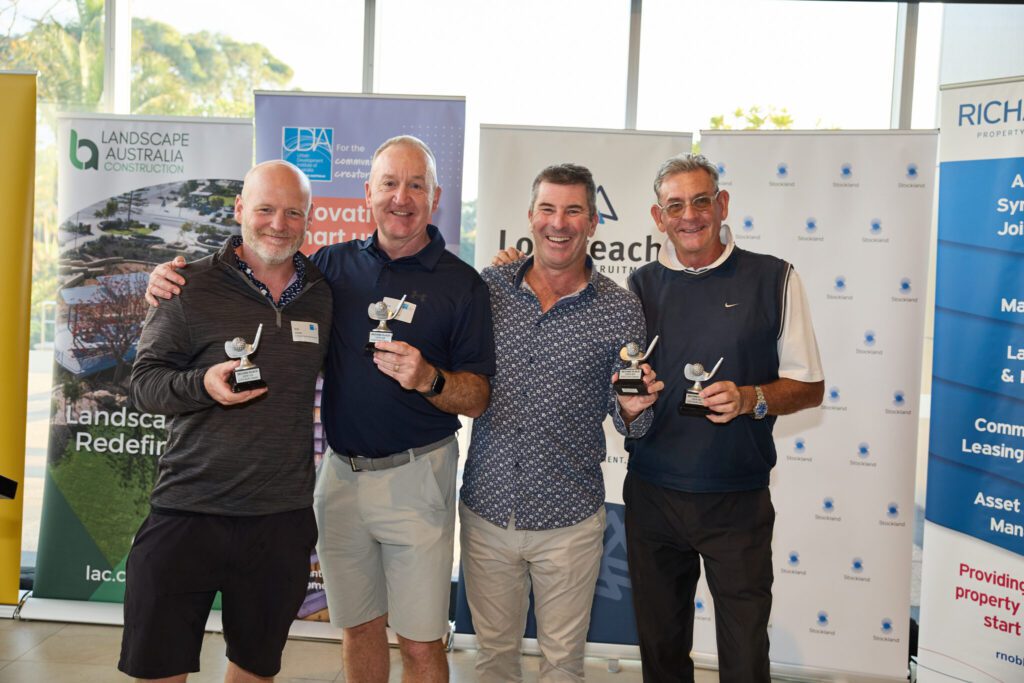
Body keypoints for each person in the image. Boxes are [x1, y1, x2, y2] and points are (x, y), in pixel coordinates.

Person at [146, 136, 495, 683]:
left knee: (422, 641)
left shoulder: (463, 285)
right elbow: (259, 259)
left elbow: (477, 397)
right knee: (357, 627)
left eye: (416, 185)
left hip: (417, 476)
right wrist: (168, 277)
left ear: (436, 197)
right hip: (339, 478)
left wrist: (429, 379)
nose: (401, 197)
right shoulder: (329, 268)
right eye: (389, 183)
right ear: (368, 192)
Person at [119, 160, 332, 682]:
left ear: (309, 219)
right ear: (239, 209)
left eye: (293, 213)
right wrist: (202, 386)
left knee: (254, 671)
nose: (278, 224)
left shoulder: (324, 295)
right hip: (187, 511)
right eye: (265, 209)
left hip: (278, 520)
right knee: (158, 671)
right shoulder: (186, 285)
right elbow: (144, 385)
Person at [622, 153, 824, 682]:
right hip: (653, 494)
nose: (689, 215)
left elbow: (810, 387)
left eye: (701, 201)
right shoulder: (639, 286)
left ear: (723, 205)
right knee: (661, 656)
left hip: (737, 498)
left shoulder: (774, 278)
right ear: (658, 216)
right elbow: (621, 385)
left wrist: (752, 397)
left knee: (745, 658)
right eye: (675, 206)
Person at [462, 163, 663, 682]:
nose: (559, 223)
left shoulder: (620, 309)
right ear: (531, 216)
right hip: (488, 510)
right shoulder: (488, 289)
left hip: (569, 521)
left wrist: (634, 411)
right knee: (493, 660)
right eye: (548, 209)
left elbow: (630, 420)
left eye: (573, 211)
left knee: (562, 665)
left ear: (593, 222)